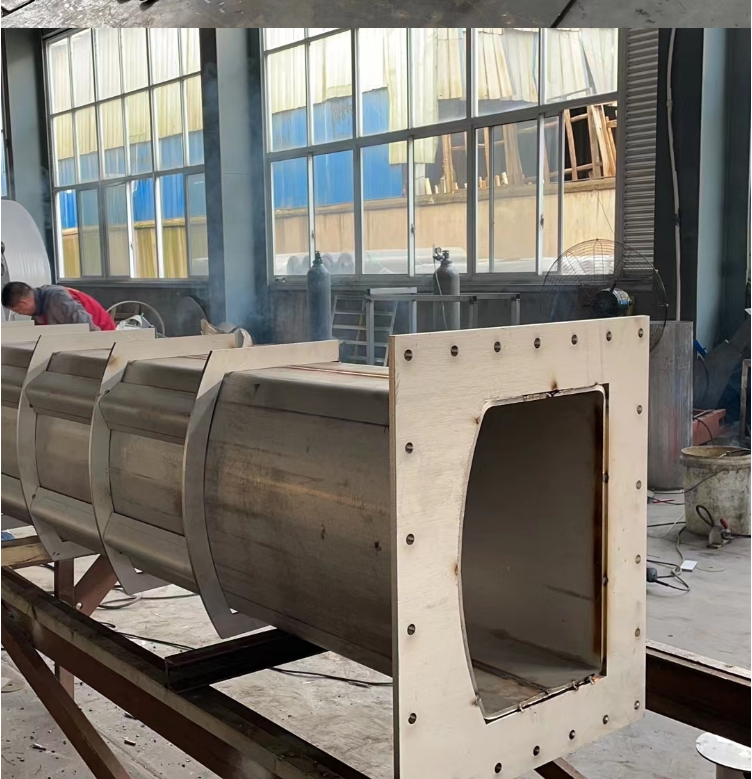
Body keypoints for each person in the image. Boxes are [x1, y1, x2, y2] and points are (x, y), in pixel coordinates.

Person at [1, 281, 117, 331]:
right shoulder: (38, 306)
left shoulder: (57, 299)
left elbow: (86, 325)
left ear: (23, 303)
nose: (21, 314)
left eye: (18, 311)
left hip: (103, 331)